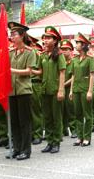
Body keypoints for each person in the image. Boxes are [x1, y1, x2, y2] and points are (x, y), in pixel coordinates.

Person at [7, 22, 36, 160]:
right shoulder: (10, 53)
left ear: (22, 35)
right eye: (11, 34)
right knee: (14, 122)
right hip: (12, 91)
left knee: (24, 122)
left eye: (14, 34)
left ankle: (26, 150)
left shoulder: (30, 52)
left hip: (24, 91)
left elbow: (29, 71)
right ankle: (17, 148)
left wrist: (12, 71)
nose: (11, 37)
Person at [38, 26, 66, 154]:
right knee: (47, 117)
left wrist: (61, 90)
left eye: (48, 38)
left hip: (55, 90)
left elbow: (62, 72)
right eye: (44, 38)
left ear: (55, 41)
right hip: (44, 90)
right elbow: (39, 72)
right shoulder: (42, 55)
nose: (45, 40)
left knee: (56, 117)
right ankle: (49, 141)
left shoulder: (59, 55)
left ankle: (56, 142)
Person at [70, 33, 94, 147]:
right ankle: (79, 137)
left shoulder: (90, 59)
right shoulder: (74, 59)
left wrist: (90, 91)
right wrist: (70, 90)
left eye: (78, 43)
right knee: (77, 114)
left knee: (87, 114)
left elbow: (92, 75)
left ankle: (87, 137)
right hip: (76, 89)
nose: (76, 45)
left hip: (85, 89)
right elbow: (73, 75)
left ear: (84, 45)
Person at [60, 39, 76, 138]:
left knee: (71, 110)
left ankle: (74, 129)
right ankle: (63, 129)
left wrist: (64, 84)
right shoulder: (60, 61)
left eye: (66, 49)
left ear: (71, 50)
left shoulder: (74, 61)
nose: (64, 51)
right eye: (62, 49)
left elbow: (74, 76)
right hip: (62, 89)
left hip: (71, 88)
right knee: (62, 110)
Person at [30, 39, 44, 144]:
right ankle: (30, 134)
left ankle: (38, 134)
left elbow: (41, 71)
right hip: (25, 84)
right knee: (27, 112)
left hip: (35, 83)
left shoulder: (37, 54)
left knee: (36, 111)